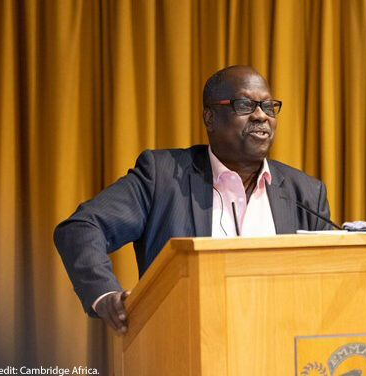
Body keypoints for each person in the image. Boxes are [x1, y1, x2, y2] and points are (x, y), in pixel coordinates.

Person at [54, 65, 332, 334]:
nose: (261, 116)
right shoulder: (163, 177)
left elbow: (330, 279)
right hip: (185, 346)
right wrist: (104, 295)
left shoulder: (304, 193)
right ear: (210, 117)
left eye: (268, 107)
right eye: (245, 105)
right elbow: (81, 228)